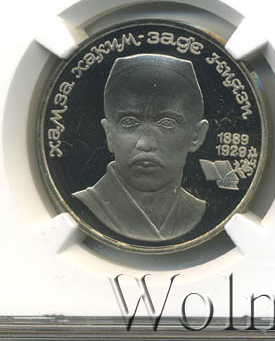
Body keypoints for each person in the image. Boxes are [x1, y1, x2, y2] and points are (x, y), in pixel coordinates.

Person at [73, 53, 209, 241]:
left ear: (197, 136)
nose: (145, 144)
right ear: (109, 134)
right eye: (129, 122)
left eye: (167, 123)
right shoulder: (82, 206)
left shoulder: (198, 210)